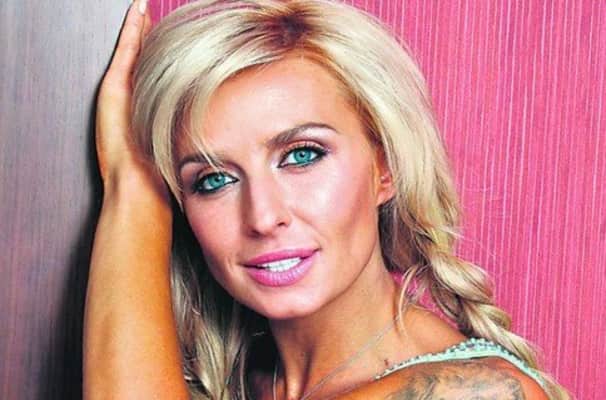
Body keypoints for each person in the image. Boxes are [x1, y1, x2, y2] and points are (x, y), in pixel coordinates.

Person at [84, 0, 569, 399]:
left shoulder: (479, 393)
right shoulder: (239, 379)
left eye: (302, 155)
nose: (264, 216)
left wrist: (132, 186)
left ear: (385, 166)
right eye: (213, 180)